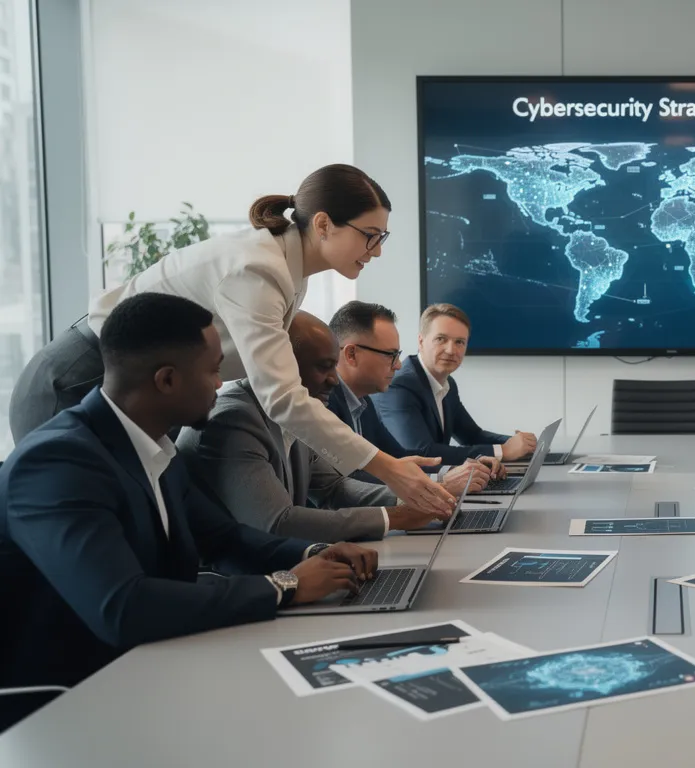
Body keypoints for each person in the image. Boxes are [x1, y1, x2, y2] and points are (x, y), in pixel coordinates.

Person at [0, 294, 378, 730]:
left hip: (154, 667)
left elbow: (225, 537)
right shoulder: (58, 463)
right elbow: (123, 607)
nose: (221, 385)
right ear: (166, 380)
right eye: (214, 369)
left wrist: (316, 551)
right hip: (72, 704)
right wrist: (286, 585)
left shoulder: (153, 445)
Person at [7, 164, 455, 516]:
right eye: (370, 236)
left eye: (382, 238)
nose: (377, 250)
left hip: (136, 388)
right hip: (75, 379)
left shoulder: (286, 268)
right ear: (323, 224)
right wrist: (386, 468)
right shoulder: (259, 268)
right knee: (95, 523)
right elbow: (282, 396)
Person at [176, 312, 488, 542]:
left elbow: (333, 487)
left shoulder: (301, 412)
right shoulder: (234, 420)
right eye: (324, 367)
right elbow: (277, 523)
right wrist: (395, 517)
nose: (334, 380)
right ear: (279, 367)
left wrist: (416, 500)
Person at [374, 304, 538, 465]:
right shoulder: (400, 386)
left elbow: (472, 435)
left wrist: (519, 443)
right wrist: (503, 451)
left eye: (459, 342)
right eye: (441, 339)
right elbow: (421, 453)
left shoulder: (447, 383)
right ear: (421, 341)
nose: (451, 350)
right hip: (391, 490)